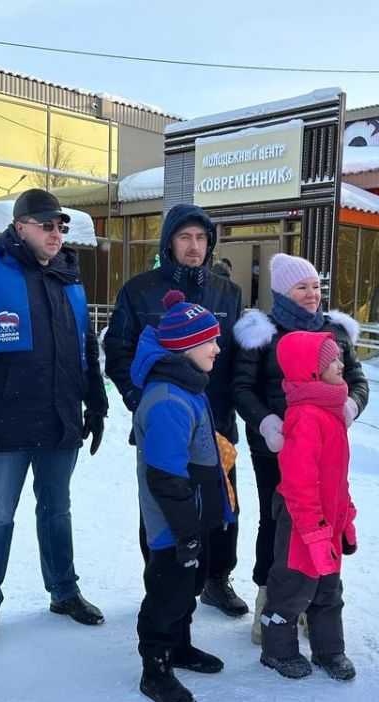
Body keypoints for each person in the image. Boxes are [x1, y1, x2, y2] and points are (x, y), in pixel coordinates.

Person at [0, 189, 109, 648]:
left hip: (61, 419)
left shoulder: (69, 278)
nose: (56, 233)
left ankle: (64, 591)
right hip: (7, 423)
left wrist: (96, 403)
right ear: (20, 226)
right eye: (46, 224)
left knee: (56, 511)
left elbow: (87, 348)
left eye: (61, 226)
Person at [105, 203, 248, 617]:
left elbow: (237, 358)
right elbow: (117, 351)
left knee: (222, 506)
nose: (194, 246)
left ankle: (217, 580)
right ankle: (161, 580)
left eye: (202, 238)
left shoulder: (228, 293)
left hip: (216, 422)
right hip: (164, 423)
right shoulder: (139, 290)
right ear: (169, 242)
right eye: (185, 237)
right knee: (163, 504)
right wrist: (142, 400)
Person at [233, 253, 367, 644]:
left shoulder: (335, 332)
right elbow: (242, 387)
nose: (311, 295)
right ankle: (269, 601)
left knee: (323, 518)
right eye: (302, 287)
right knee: (277, 523)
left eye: (315, 287)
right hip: (275, 448)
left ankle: (312, 600)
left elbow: (357, 379)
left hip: (325, 449)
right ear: (281, 291)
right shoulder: (262, 333)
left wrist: (352, 405)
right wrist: (266, 422)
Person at [132, 290, 232, 702]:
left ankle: (180, 646)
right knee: (168, 593)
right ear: (185, 346)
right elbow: (166, 476)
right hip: (173, 523)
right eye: (209, 340)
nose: (217, 347)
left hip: (191, 515)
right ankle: (155, 668)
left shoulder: (187, 383)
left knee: (188, 586)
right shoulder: (170, 400)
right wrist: (186, 532)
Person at [259, 331, 358, 682]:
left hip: (328, 521)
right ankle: (277, 649)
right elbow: (300, 483)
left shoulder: (331, 411)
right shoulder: (306, 416)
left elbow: (337, 476)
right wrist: (314, 531)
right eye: (331, 360)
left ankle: (329, 649)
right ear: (311, 371)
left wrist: (345, 517)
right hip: (302, 524)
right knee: (292, 587)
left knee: (329, 590)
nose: (340, 364)